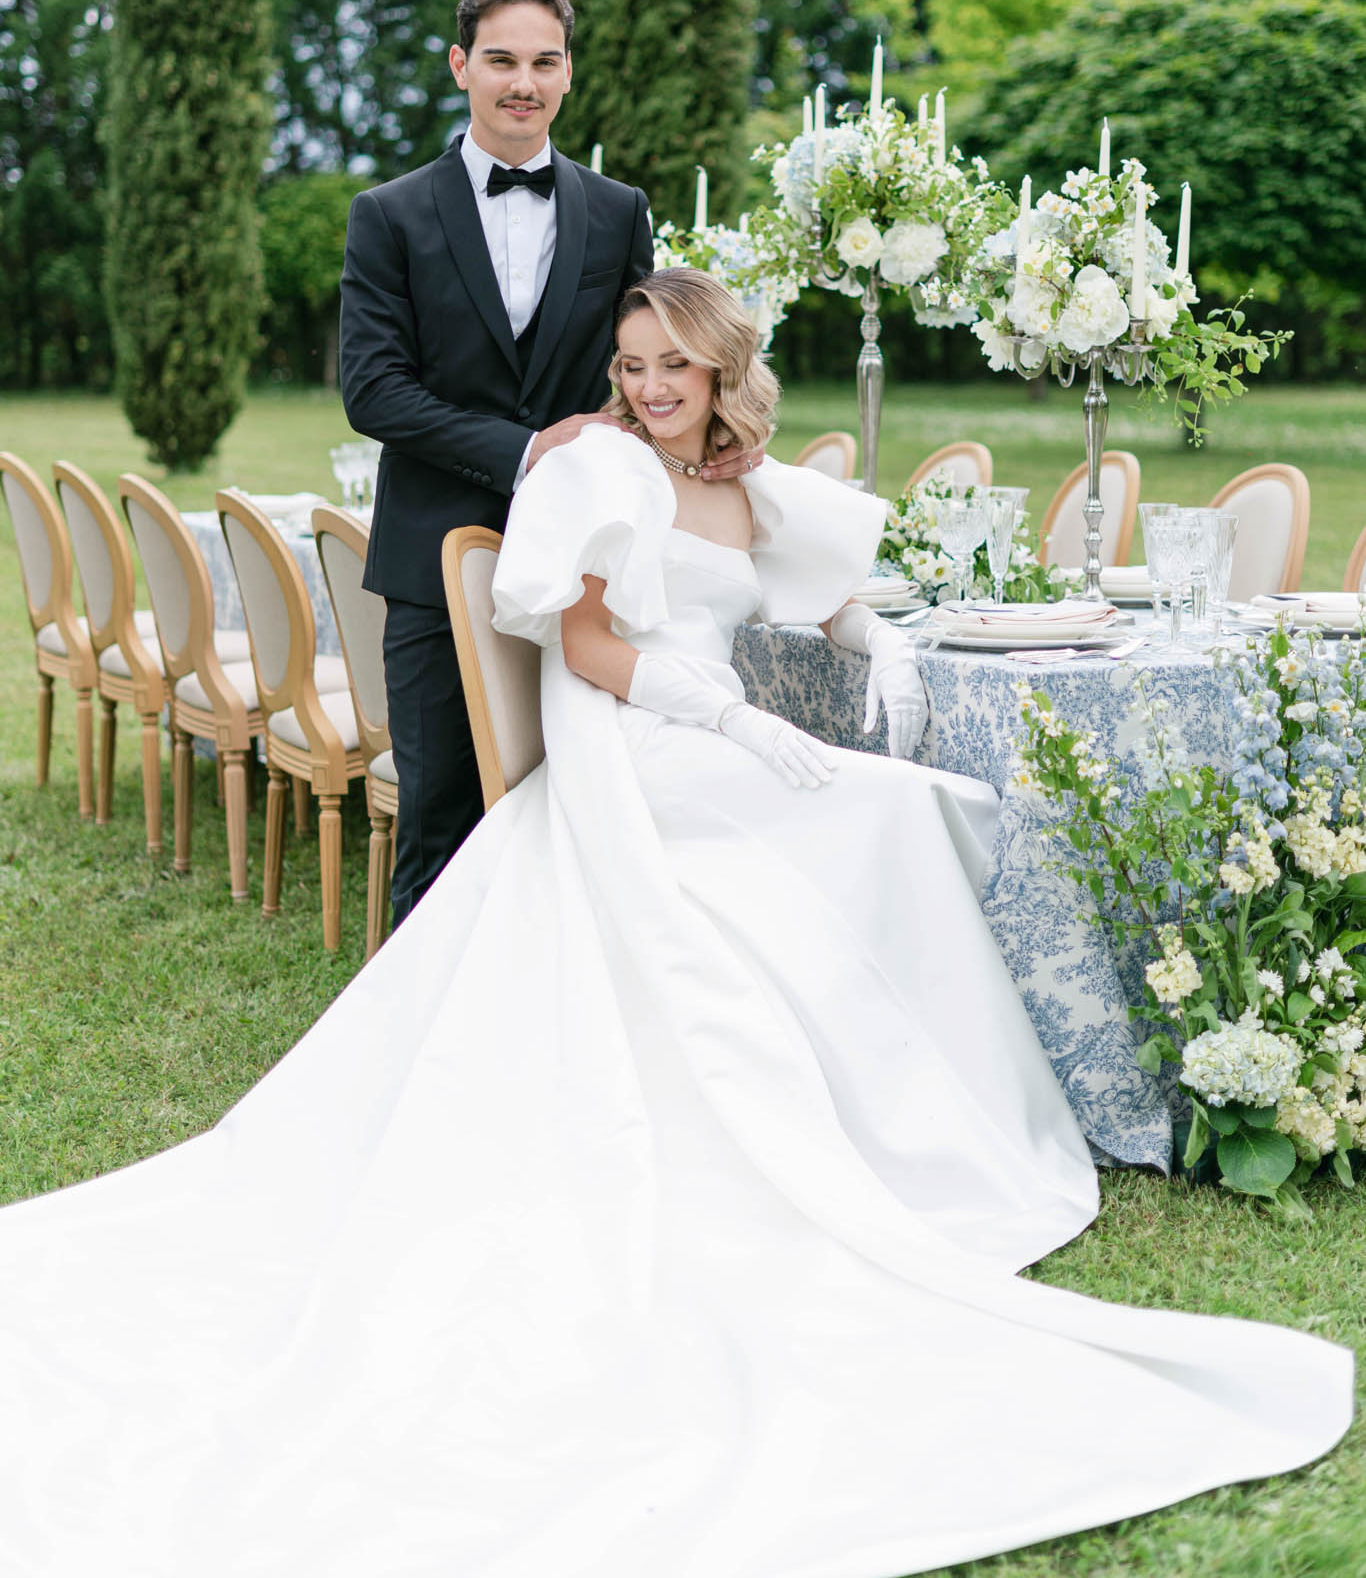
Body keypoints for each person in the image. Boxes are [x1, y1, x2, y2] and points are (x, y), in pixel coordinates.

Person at [0, 269, 1349, 1577]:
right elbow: (585, 646)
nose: (649, 389)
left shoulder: (745, 483)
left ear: (722, 375)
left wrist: (875, 642)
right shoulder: (599, 471)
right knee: (882, 813)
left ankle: (927, 1120)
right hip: (639, 730)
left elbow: (817, 589)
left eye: (674, 368)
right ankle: (907, 1124)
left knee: (903, 808)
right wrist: (730, 718)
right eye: (632, 366)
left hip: (705, 724)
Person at [340, 0, 672, 925]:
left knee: (574, 801)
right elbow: (373, 392)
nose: (523, 82)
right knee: (439, 814)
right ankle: (416, 1006)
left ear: (567, 72)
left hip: (582, 568)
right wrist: (526, 451)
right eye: (501, 59)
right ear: (460, 66)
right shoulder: (389, 215)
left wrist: (701, 435)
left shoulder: (619, 211)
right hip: (433, 560)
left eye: (544, 61)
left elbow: (645, 368)